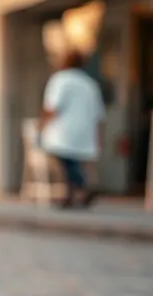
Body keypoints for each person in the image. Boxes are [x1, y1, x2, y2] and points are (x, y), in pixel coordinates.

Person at [39, 48, 105, 209]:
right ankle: (70, 194)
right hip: (84, 131)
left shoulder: (61, 79)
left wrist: (41, 125)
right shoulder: (90, 84)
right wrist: (99, 137)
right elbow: (99, 114)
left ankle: (81, 186)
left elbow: (52, 107)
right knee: (71, 161)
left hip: (63, 130)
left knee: (66, 159)